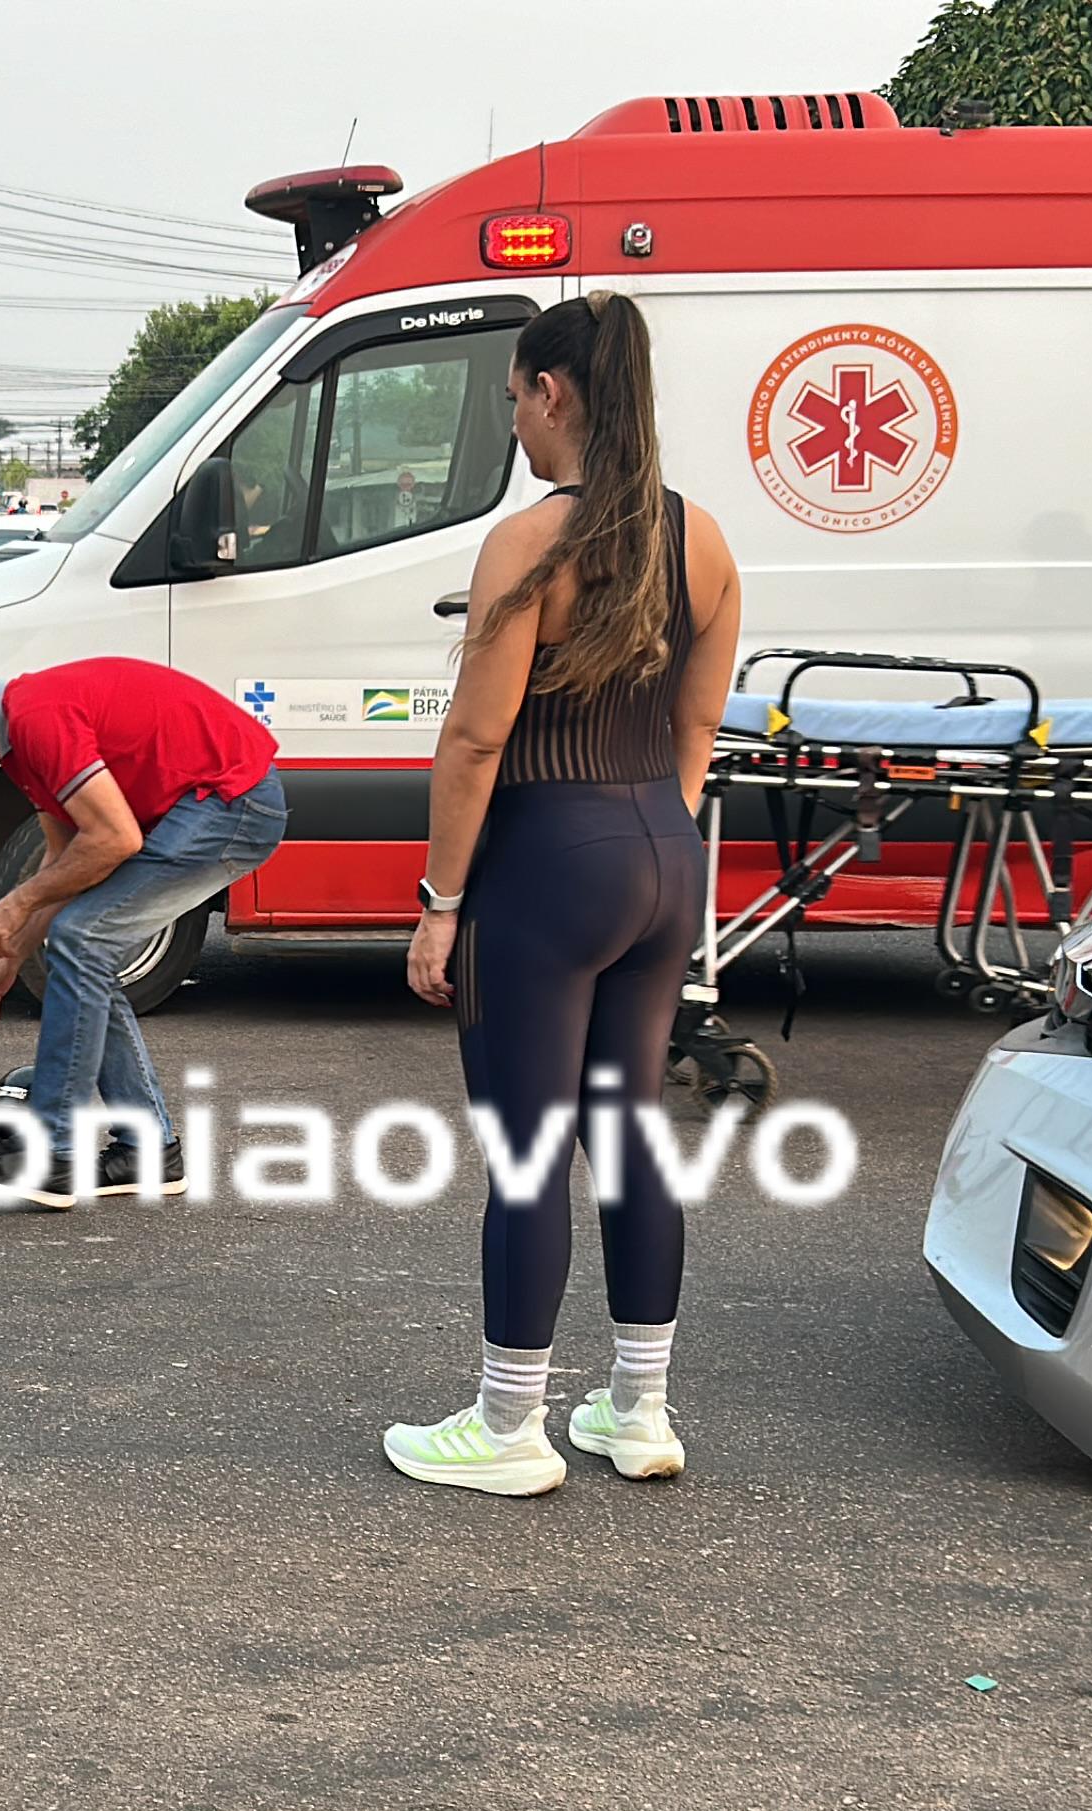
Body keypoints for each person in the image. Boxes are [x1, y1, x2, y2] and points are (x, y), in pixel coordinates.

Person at [385, 292, 742, 1497]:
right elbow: (697, 724)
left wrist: (440, 898)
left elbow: (475, 744)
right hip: (660, 851)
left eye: (515, 399)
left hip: (547, 860)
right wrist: (651, 835)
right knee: (631, 1133)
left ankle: (505, 1426)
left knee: (531, 1153)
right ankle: (638, 1411)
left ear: (552, 392)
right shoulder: (704, 542)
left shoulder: (531, 541)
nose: (517, 427)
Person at [0, 656, 286, 1208]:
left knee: (81, 940)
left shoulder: (36, 718)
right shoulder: (20, 746)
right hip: (209, 805)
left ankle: (54, 1152)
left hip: (232, 803)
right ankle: (147, 1151)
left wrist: (17, 901)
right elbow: (68, 866)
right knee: (83, 946)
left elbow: (115, 839)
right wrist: (10, 958)